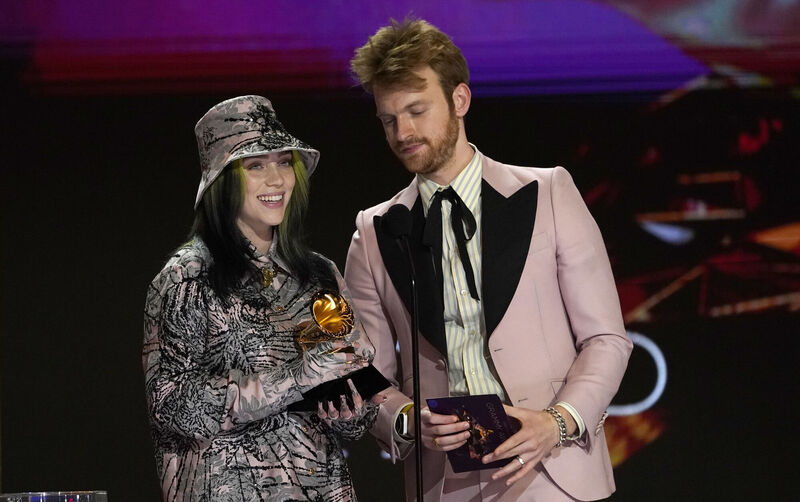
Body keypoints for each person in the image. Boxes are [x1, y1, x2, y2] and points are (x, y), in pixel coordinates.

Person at [344, 19, 633, 501]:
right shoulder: (375, 232)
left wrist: (557, 423)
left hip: (553, 469)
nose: (403, 132)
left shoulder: (548, 193)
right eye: (388, 119)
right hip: (445, 482)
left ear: (459, 99)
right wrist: (408, 420)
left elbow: (606, 338)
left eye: (416, 110)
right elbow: (365, 371)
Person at [143, 95, 380, 501]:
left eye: (284, 162)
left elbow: (357, 398)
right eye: (256, 166)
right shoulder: (187, 278)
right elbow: (174, 408)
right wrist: (298, 377)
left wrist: (350, 410)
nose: (277, 180)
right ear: (222, 181)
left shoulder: (319, 274)